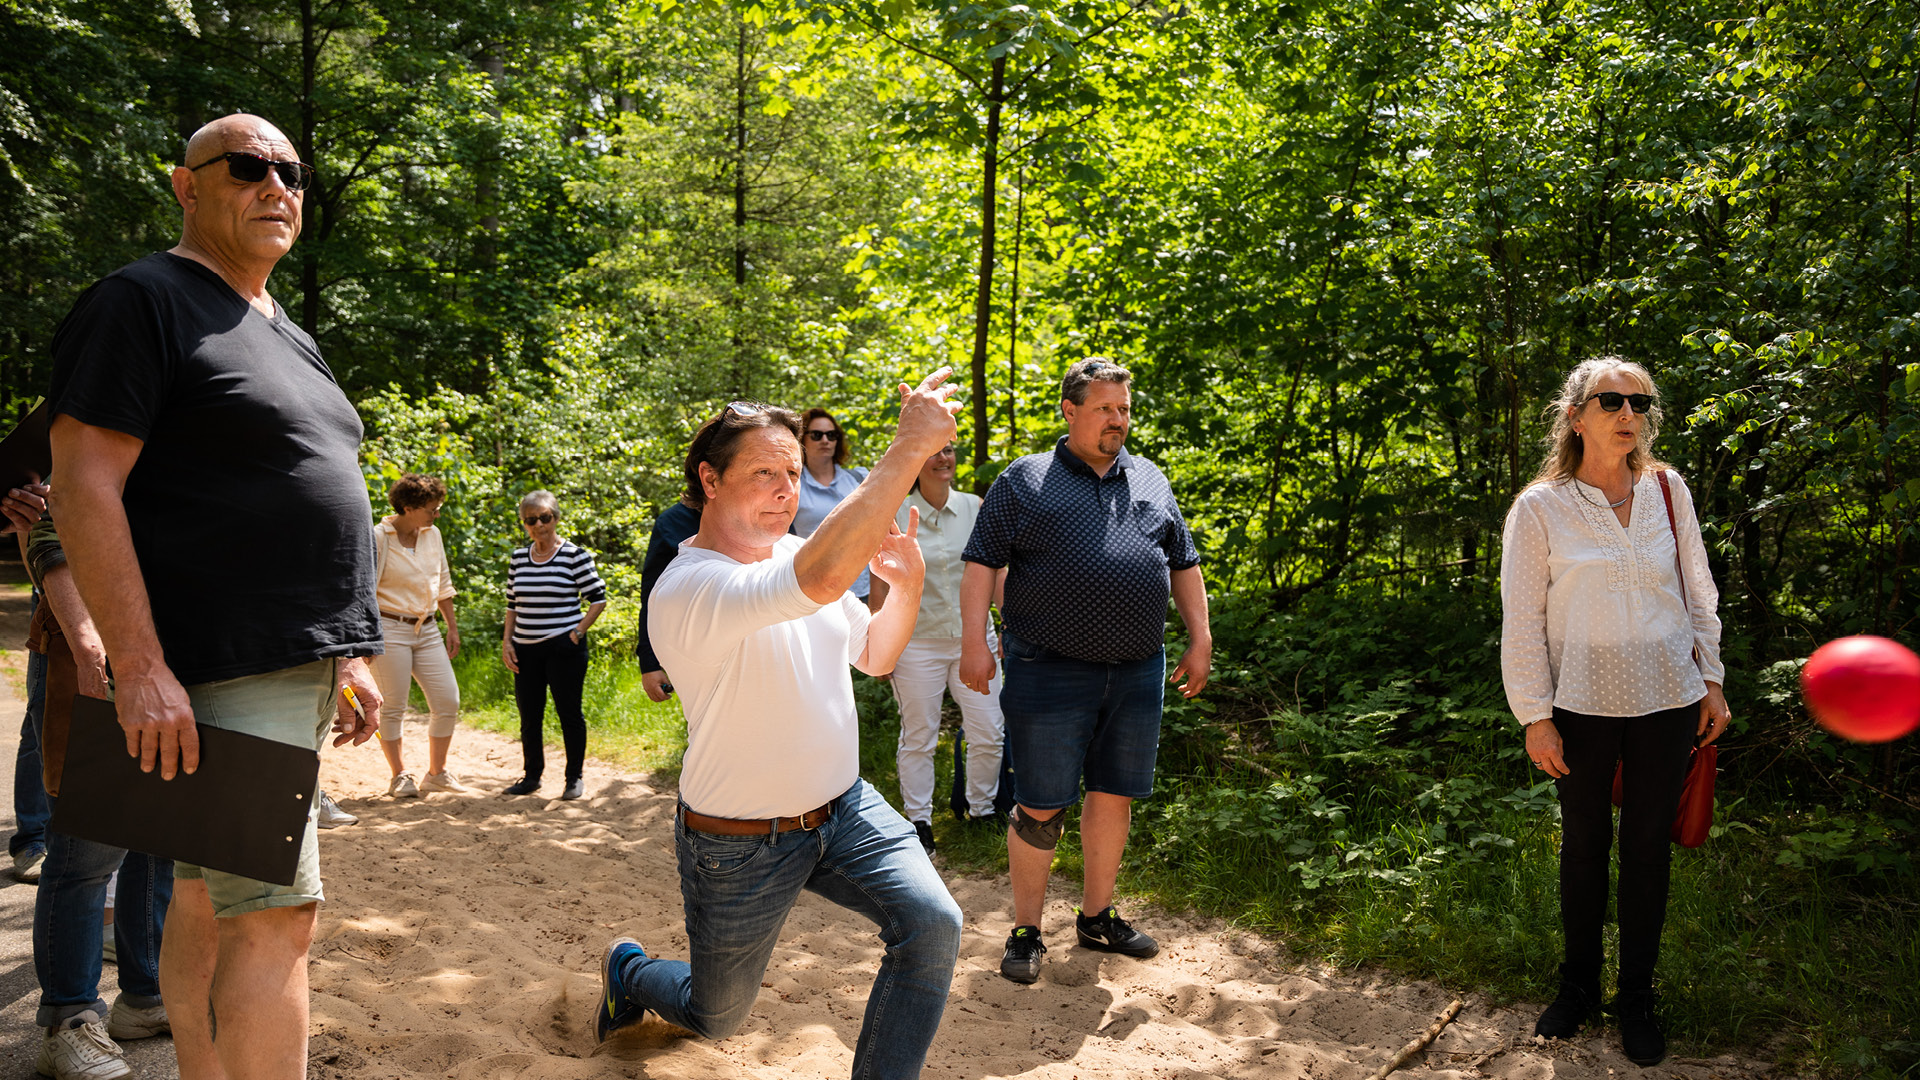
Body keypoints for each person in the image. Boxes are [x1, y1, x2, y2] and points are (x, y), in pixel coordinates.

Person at [46, 113, 386, 1080]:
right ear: (186, 186)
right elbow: (84, 483)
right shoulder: (142, 300)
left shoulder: (283, 327)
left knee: (202, 902)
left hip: (291, 656)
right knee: (277, 920)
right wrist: (139, 664)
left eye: (292, 171)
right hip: (221, 663)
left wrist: (346, 649)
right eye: (247, 168)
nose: (277, 185)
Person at [593, 375, 964, 1080]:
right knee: (716, 1015)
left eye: (793, 472)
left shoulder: (797, 554)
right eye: (763, 471)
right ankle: (632, 971)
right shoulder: (687, 586)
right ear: (709, 479)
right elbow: (821, 582)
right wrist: (909, 449)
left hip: (846, 809)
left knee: (934, 926)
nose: (785, 487)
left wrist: (907, 587)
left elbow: (876, 655)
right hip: (739, 843)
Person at [1500, 356, 1730, 1067]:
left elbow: (1698, 589)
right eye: (1611, 401)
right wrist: (1535, 715)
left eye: (1641, 402)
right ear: (1575, 416)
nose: (1630, 414)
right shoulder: (1540, 508)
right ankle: (1576, 990)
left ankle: (1636, 1000)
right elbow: (1523, 620)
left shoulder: (1669, 490)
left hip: (1669, 699)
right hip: (1580, 706)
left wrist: (1712, 679)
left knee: (1647, 853)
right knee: (1585, 848)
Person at [958, 357, 1212, 985]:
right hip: (1047, 668)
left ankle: (1097, 918)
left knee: (1114, 793)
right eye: (1105, 409)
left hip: (1136, 670)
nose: (1118, 420)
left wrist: (1200, 638)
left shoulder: (1150, 479)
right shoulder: (1025, 480)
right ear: (1070, 411)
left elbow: (1183, 562)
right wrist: (975, 644)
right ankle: (1025, 930)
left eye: (1124, 409)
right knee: (1040, 805)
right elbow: (980, 563)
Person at [20, 515, 175, 1080]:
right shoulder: (104, 430)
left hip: (173, 653)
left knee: (158, 837)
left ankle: (146, 996)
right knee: (88, 848)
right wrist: (90, 646)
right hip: (91, 655)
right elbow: (47, 531)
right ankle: (69, 1019)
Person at [868, 441, 1007, 853]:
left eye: (949, 450)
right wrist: (881, 643)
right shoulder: (892, 515)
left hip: (974, 641)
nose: (944, 458)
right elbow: (880, 585)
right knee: (919, 736)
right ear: (915, 461)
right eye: (932, 451)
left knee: (989, 731)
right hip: (915, 645)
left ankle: (980, 810)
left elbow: (995, 572)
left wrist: (1008, 627)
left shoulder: (974, 507)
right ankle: (919, 822)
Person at [501, 491, 606, 800]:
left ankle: (574, 778)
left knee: (569, 714)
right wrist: (507, 641)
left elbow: (598, 599)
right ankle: (531, 776)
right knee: (529, 716)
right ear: (524, 524)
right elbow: (512, 604)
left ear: (556, 518)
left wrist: (578, 631)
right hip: (525, 650)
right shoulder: (519, 558)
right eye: (531, 520)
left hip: (564, 649)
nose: (539, 525)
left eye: (545, 517)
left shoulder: (575, 555)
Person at [370, 473, 464, 796]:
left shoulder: (432, 534)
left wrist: (451, 626)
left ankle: (436, 772)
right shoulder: (379, 537)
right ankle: (400, 775)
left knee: (447, 700)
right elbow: (364, 590)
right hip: (389, 627)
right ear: (408, 507)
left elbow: (444, 581)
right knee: (393, 705)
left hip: (428, 629)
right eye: (431, 508)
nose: (436, 514)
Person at [792, 407, 873, 603]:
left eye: (831, 435)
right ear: (802, 440)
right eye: (817, 435)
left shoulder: (859, 478)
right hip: (811, 589)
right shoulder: (793, 485)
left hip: (862, 588)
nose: (825, 441)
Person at [636, 495, 701, 702]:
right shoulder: (672, 523)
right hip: (695, 653)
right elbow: (652, 596)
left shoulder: (768, 513)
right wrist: (649, 663)